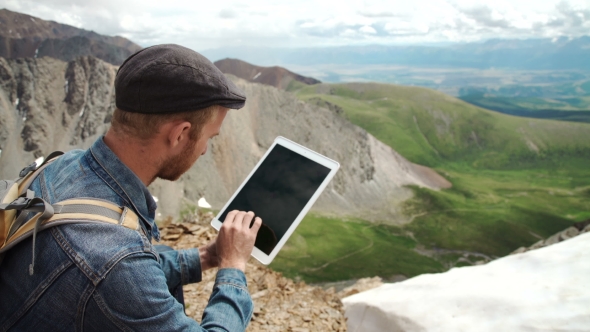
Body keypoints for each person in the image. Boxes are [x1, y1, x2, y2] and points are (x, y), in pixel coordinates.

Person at [0, 44, 262, 331]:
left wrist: (207, 256)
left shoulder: (62, 165)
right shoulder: (116, 262)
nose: (203, 151)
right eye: (209, 137)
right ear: (180, 134)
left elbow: (120, 273)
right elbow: (116, 271)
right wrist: (233, 266)